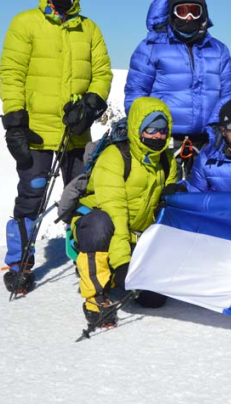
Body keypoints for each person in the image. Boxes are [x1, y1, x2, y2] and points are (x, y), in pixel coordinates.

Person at [0, 0, 112, 293]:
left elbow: (102, 71)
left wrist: (91, 102)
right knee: (31, 197)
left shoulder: (89, 28)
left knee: (81, 195)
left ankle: (86, 258)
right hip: (35, 132)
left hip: (75, 132)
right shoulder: (25, 23)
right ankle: (19, 264)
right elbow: (12, 73)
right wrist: (15, 122)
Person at [71, 97, 178, 325]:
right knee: (100, 223)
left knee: (154, 299)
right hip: (99, 225)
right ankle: (95, 296)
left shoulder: (167, 161)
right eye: (150, 129)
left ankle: (117, 274)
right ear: (137, 129)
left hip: (134, 234)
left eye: (162, 130)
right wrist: (122, 262)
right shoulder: (115, 158)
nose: (158, 136)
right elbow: (115, 212)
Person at [124, 0, 231, 179]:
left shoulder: (218, 50)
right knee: (163, 199)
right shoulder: (151, 47)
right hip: (162, 141)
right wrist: (145, 132)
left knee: (203, 202)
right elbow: (136, 94)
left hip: (207, 142)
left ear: (203, 14)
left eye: (195, 11)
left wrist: (226, 129)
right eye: (182, 11)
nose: (188, 18)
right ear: (172, 13)